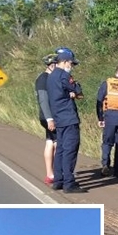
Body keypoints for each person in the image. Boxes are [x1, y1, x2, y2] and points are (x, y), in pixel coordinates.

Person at [46, 47, 86, 193]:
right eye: (71, 63)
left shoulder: (50, 76)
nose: (72, 66)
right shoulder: (63, 76)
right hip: (68, 118)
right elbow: (77, 90)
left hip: (58, 117)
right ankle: (69, 183)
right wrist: (75, 89)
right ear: (65, 62)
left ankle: (58, 180)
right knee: (70, 150)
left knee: (61, 150)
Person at [35, 53, 58, 185]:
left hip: (49, 116)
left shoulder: (47, 78)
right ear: (52, 65)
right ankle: (51, 173)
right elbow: (43, 100)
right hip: (48, 116)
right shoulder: (43, 79)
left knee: (50, 142)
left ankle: (51, 174)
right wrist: (49, 119)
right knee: (55, 143)